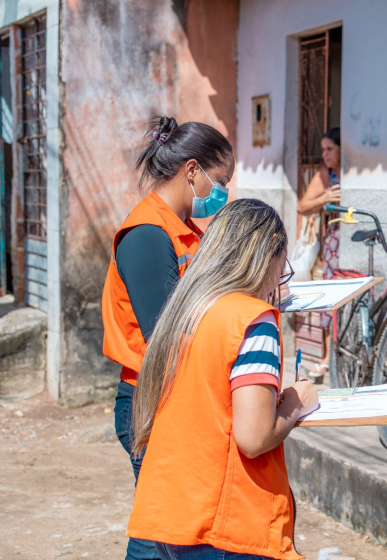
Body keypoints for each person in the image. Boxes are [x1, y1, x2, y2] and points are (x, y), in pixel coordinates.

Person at [127, 199, 319, 560]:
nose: (283, 275)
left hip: (174, 513)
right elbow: (254, 436)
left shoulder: (185, 309)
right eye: (283, 264)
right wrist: (297, 401)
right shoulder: (254, 320)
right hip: (228, 524)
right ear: (269, 255)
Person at [101, 116, 233, 560]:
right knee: (164, 532)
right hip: (151, 402)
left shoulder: (181, 231)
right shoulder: (147, 236)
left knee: (162, 530)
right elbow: (165, 332)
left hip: (170, 398)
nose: (223, 192)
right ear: (192, 170)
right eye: (221, 180)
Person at [296, 127, 342, 379]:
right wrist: (324, 197)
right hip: (333, 243)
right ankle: (326, 356)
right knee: (330, 298)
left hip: (353, 238)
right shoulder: (327, 174)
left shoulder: (354, 172)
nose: (324, 154)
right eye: (323, 149)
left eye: (329, 149)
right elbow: (303, 206)